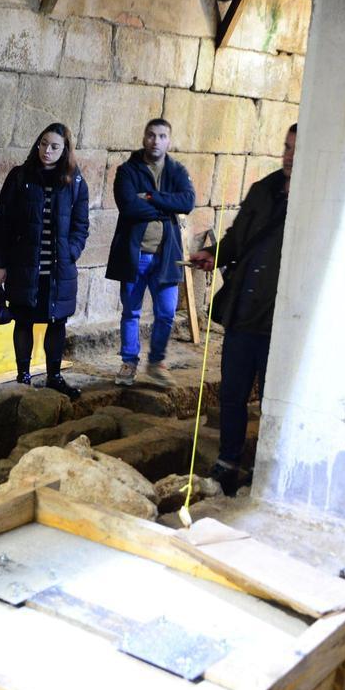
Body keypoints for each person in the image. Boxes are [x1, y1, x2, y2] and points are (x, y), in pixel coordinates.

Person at [191, 124, 297, 496]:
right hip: (243, 310)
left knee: (273, 399)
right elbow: (237, 238)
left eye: (297, 151)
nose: (288, 156)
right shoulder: (263, 190)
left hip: (279, 322)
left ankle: (266, 467)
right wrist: (213, 254)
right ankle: (228, 461)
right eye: (286, 148)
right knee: (233, 393)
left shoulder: (313, 198)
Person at [0, 122, 89, 401]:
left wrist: (72, 251)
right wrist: (0, 263)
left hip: (58, 268)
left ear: (65, 150)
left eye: (54, 146)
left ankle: (54, 376)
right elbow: (3, 222)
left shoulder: (74, 181)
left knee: (56, 322)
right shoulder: (20, 177)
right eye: (43, 144)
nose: (47, 150)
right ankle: (23, 376)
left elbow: (81, 224)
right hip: (24, 266)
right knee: (24, 320)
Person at [106, 118, 196, 388]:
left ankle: (156, 362)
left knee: (167, 312)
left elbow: (188, 202)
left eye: (162, 136)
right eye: (151, 135)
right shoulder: (128, 171)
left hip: (166, 255)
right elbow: (129, 206)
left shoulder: (176, 171)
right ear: (144, 138)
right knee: (131, 311)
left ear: (169, 140)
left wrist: (151, 197)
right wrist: (167, 207)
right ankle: (129, 362)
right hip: (136, 254)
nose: (156, 141)